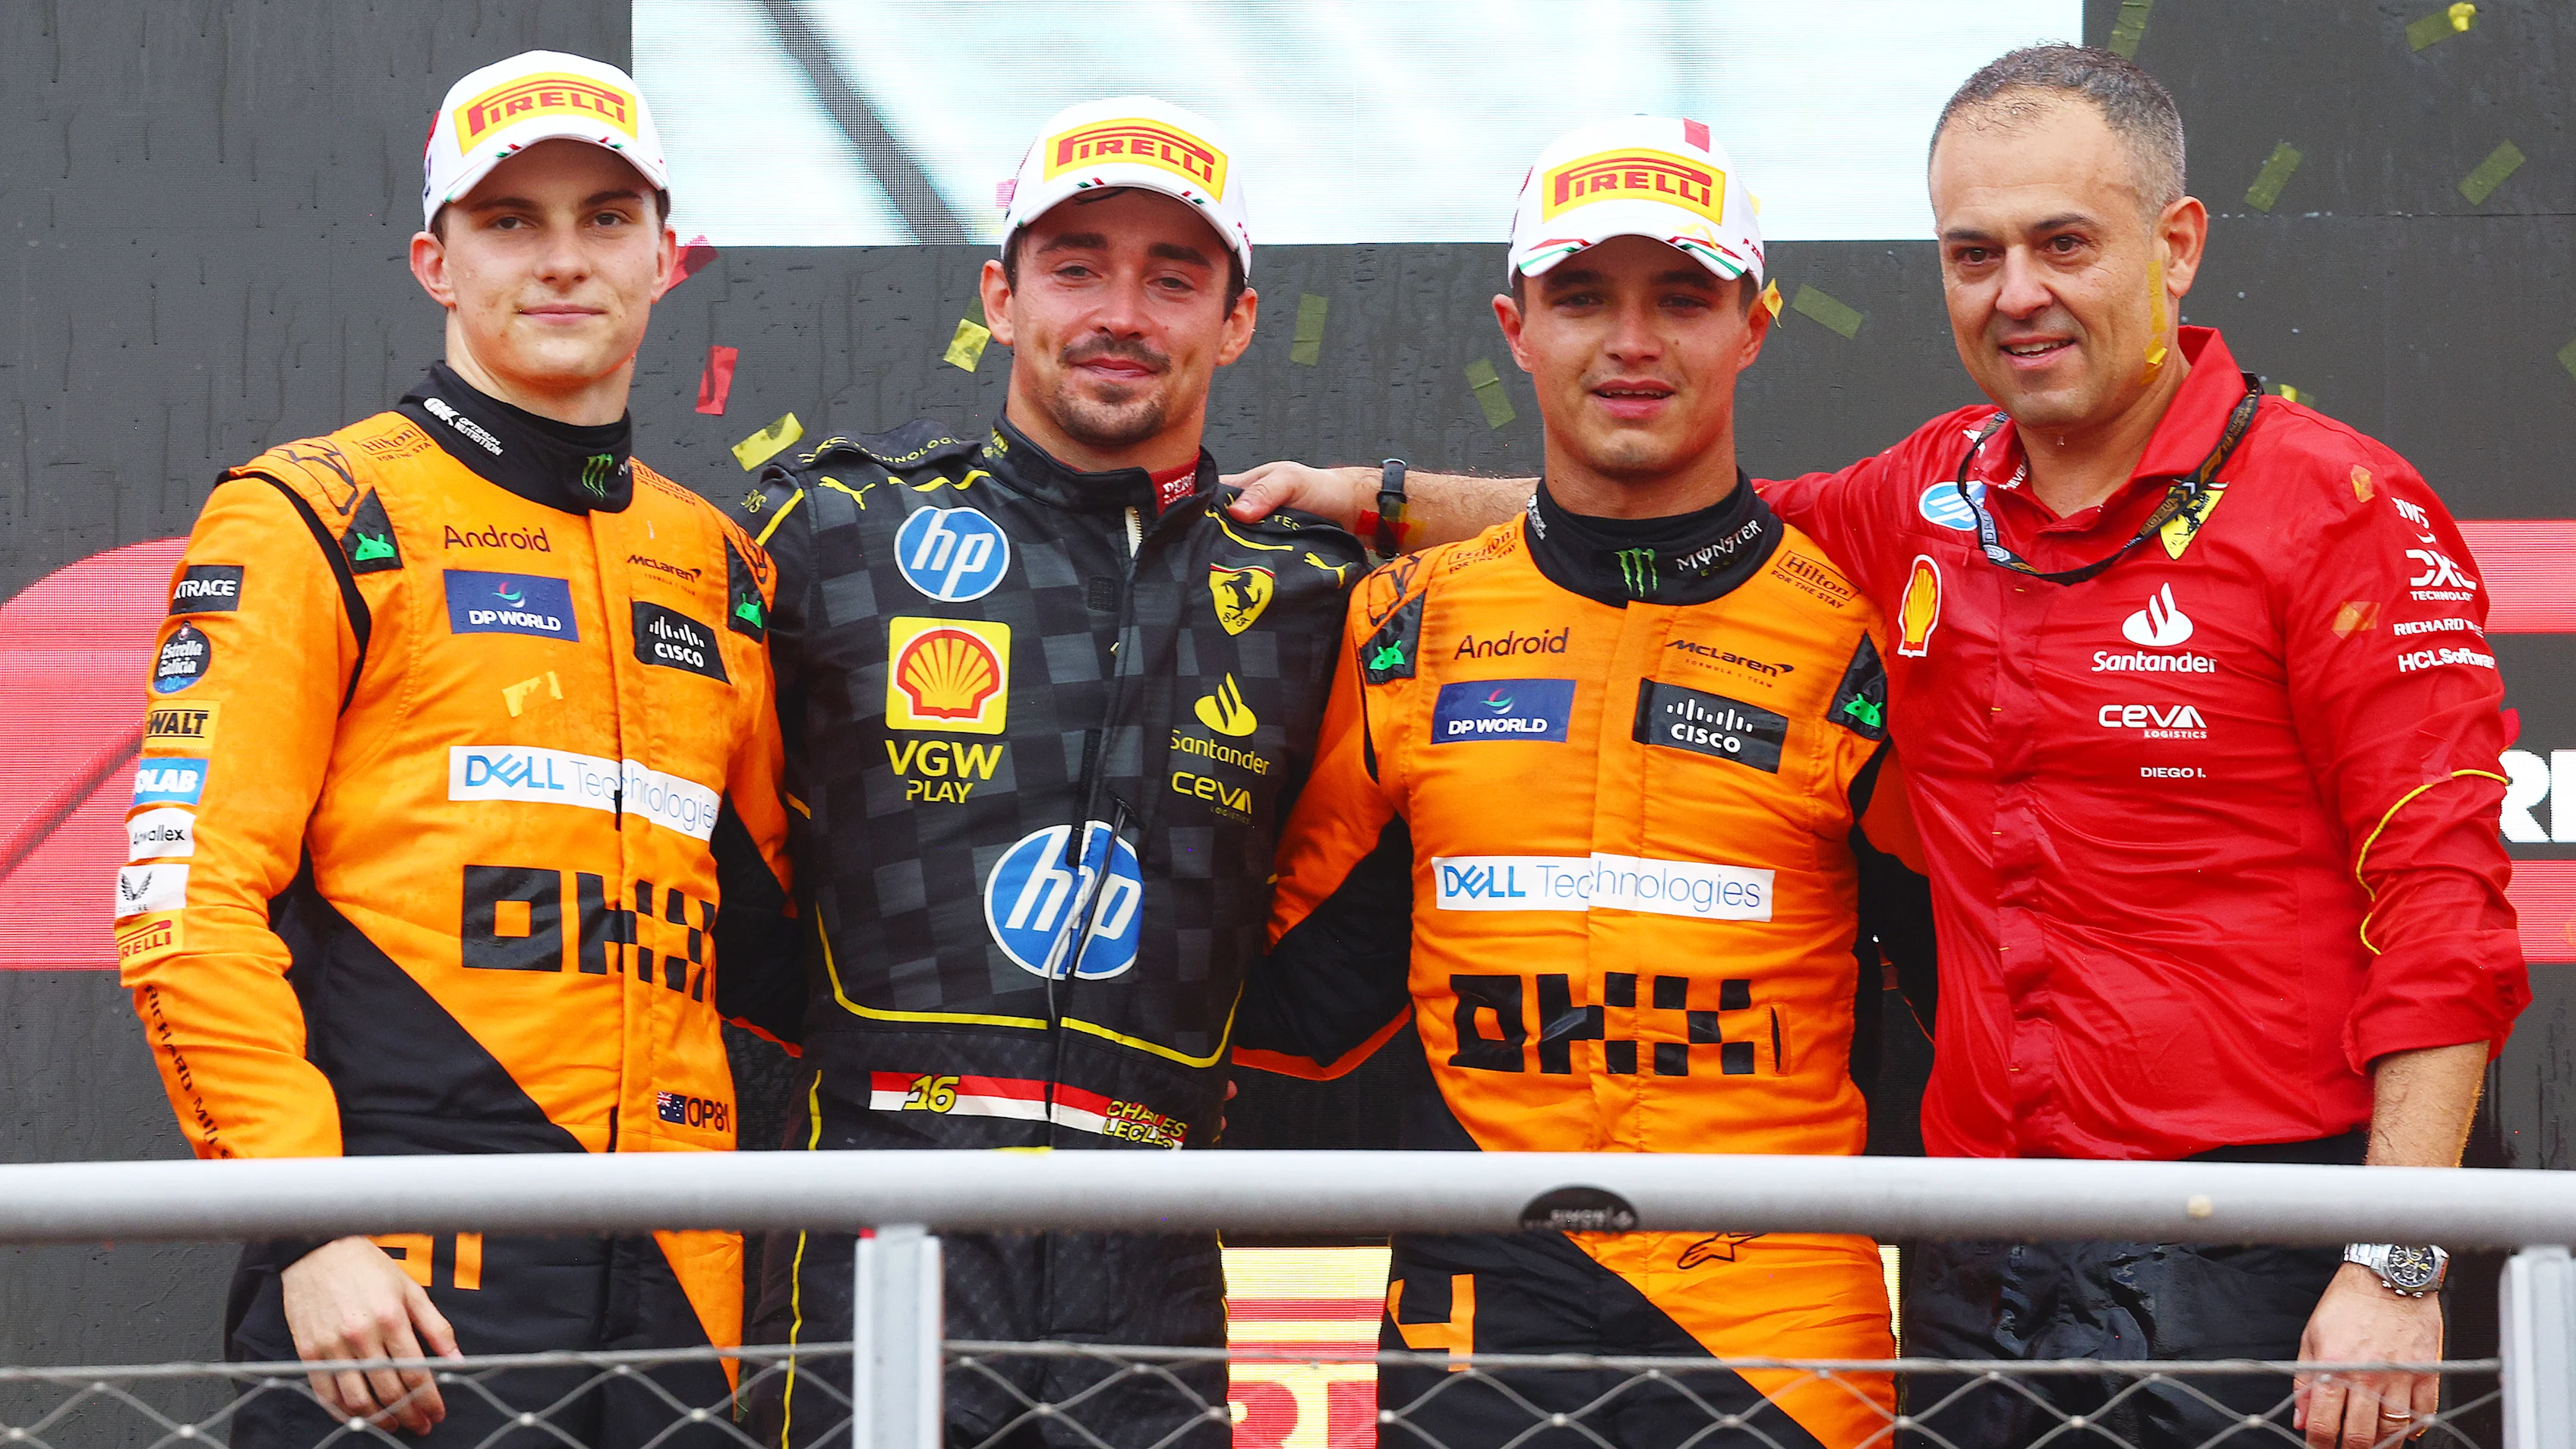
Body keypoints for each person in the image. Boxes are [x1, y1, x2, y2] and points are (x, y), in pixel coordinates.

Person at [1224, 45, 2527, 1449]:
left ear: (2180, 245)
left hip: (2271, 1239)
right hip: (1988, 1249)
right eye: (1975, 253)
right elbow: (1673, 521)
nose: (2017, 292)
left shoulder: (2339, 506)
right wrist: (1377, 496)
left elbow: (2445, 906)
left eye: (2064, 244)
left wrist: (2399, 1254)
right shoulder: (1927, 497)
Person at [116, 50, 797, 1446]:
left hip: (682, 1279)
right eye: (510, 222)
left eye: (606, 218)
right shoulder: (311, 512)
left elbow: (802, 920)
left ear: (668, 258)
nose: (562, 261)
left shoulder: (720, 563)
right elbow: (184, 899)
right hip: (401, 1277)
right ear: (436, 261)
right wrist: (308, 1227)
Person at [1230, 115, 1928, 1449]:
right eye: (1581, 298)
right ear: (1514, 327)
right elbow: (1293, 988)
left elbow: (1990, 984)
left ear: (1754, 328)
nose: (1632, 341)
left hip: (1777, 1328)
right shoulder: (1407, 626)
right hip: (1480, 1305)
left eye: (1681, 298)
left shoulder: (1856, 629)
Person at [729, 96, 1365, 1448]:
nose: (1121, 311)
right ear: (1000, 298)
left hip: (1150, 1225)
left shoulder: (1317, 591)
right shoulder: (837, 529)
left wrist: (1394, 491)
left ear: (1237, 321)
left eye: (1173, 277)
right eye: (1076, 267)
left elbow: (1599, 536)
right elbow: (701, 838)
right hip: (880, 1204)